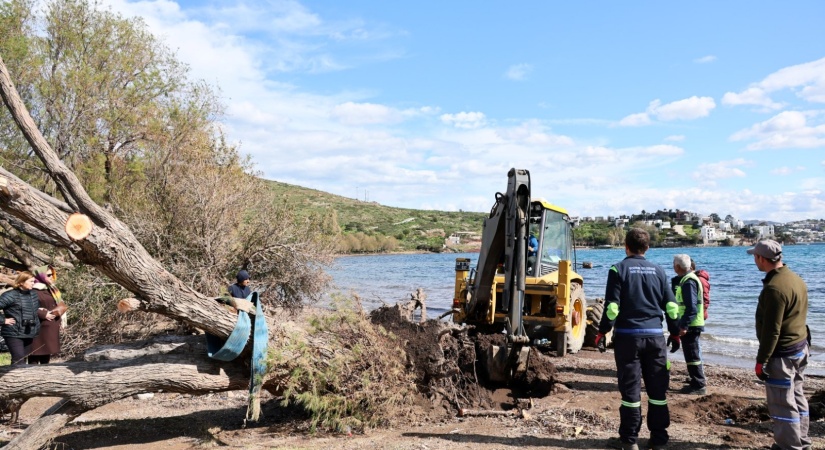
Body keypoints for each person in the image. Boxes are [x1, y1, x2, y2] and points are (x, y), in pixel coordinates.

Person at [596, 228, 679, 450]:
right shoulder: (659, 271)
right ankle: (659, 439)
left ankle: (630, 441)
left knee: (631, 391)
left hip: (628, 339)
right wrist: (675, 332)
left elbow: (612, 308)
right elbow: (671, 307)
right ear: (647, 248)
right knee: (658, 391)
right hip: (655, 338)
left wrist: (602, 331)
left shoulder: (618, 269)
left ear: (626, 246)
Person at [748, 239, 811, 450]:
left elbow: (772, 331)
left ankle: (790, 446)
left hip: (783, 353)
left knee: (782, 402)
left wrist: (761, 361)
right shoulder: (795, 278)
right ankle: (802, 441)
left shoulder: (774, 288)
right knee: (797, 395)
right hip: (800, 347)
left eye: (754, 257)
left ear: (761, 258)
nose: (754, 261)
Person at [672, 254, 706, 395]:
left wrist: (684, 325)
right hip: (690, 322)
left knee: (692, 355)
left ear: (678, 267)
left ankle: (699, 385)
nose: (673, 267)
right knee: (691, 354)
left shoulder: (688, 281)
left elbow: (691, 308)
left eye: (674, 264)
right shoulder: (686, 280)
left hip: (691, 324)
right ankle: (695, 381)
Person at [0, 272, 43, 365]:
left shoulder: (34, 294)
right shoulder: (10, 295)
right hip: (13, 333)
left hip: (29, 332)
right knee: (18, 359)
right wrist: (3, 320)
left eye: (34, 281)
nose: (33, 283)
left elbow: (33, 310)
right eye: (31, 281)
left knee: (23, 359)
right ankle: (13, 379)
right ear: (21, 282)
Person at [29, 266, 66, 364]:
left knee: (46, 353)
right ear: (40, 276)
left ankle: (45, 377)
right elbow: (26, 307)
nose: (52, 277)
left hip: (51, 325)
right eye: (48, 275)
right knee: (35, 353)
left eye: (53, 275)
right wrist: (43, 314)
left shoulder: (52, 289)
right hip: (39, 326)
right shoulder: (32, 290)